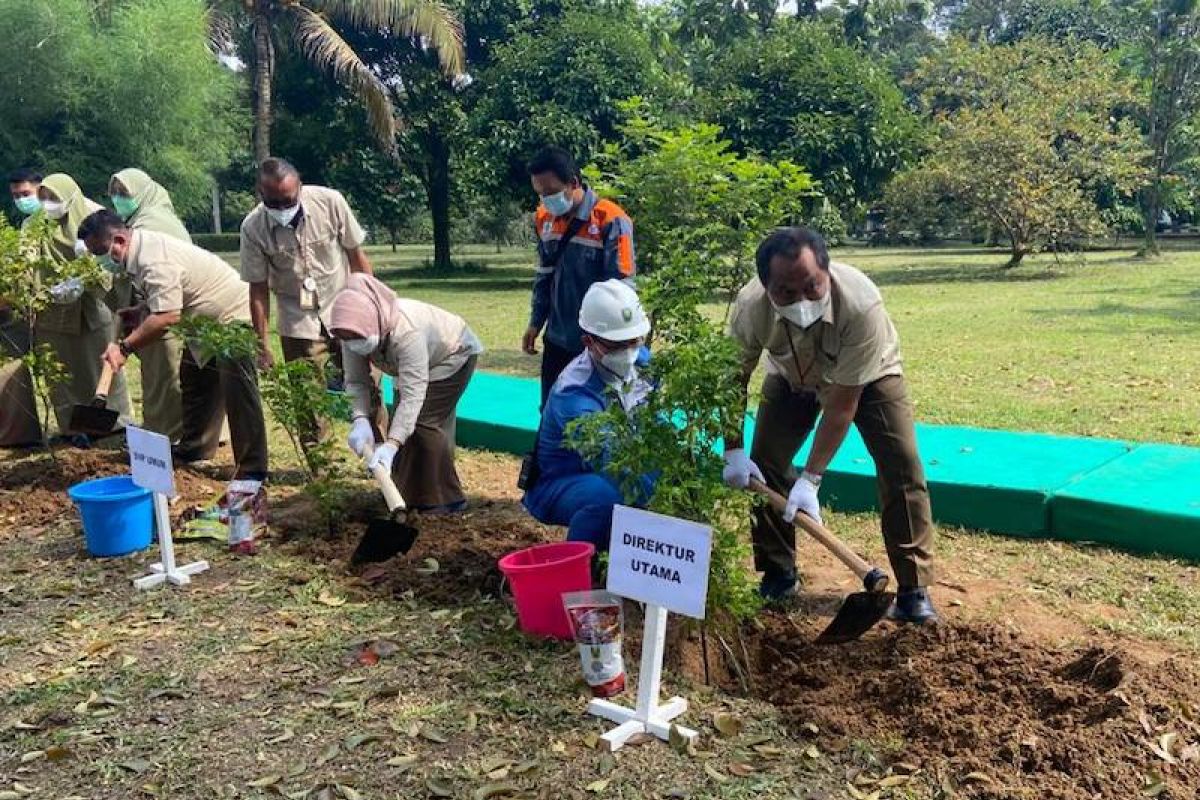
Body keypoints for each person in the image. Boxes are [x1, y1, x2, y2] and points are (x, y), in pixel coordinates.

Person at [723, 227, 937, 623]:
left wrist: (812, 478)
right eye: (786, 292)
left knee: (901, 463)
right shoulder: (751, 306)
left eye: (812, 287)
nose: (802, 300)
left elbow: (843, 404)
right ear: (766, 286)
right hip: (792, 376)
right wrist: (732, 448)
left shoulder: (861, 303)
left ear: (826, 270)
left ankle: (913, 589)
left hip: (868, 377)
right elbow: (730, 379)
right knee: (765, 460)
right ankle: (778, 573)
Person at [78, 210, 268, 480]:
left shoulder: (153, 260)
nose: (99, 259)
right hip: (203, 323)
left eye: (99, 251)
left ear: (119, 240)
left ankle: (252, 470)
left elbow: (167, 316)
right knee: (195, 380)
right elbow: (167, 296)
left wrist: (124, 348)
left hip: (233, 317)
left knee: (239, 394)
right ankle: (195, 449)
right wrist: (142, 310)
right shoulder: (140, 251)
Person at [331, 274, 481, 513]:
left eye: (357, 338)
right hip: (412, 365)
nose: (353, 344)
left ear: (373, 325)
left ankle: (445, 500)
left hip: (453, 355)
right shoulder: (351, 331)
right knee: (405, 427)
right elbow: (356, 382)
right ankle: (404, 495)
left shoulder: (406, 332)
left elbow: (413, 396)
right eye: (348, 339)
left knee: (423, 423)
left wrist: (391, 444)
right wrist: (359, 419)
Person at [522, 280, 654, 550]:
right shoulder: (574, 393)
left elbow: (654, 421)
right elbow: (611, 462)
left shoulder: (643, 363)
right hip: (561, 481)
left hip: (615, 465)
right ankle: (584, 565)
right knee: (607, 497)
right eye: (616, 344)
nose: (628, 351)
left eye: (634, 340)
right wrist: (663, 508)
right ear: (588, 342)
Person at [522, 147, 637, 406]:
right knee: (551, 407)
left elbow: (622, 289)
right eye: (540, 194)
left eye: (550, 193)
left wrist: (609, 344)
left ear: (573, 183)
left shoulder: (612, 220)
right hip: (557, 338)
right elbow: (544, 276)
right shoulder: (544, 219)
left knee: (592, 414)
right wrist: (535, 322)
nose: (545, 201)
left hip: (597, 345)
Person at [34, 174, 132, 440]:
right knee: (64, 375)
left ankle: (114, 424)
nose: (47, 204)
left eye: (53, 197)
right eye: (43, 198)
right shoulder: (35, 225)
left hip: (92, 308)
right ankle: (73, 428)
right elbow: (30, 260)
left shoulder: (92, 217)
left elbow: (111, 266)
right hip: (53, 311)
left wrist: (86, 276)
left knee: (98, 366)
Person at [108, 167, 189, 443]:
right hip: (154, 305)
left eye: (124, 193)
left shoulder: (152, 223)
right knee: (160, 376)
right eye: (115, 193)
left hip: (167, 308)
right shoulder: (138, 218)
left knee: (165, 376)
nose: (119, 199)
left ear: (143, 193)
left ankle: (166, 435)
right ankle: (165, 431)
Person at [1, 168, 46, 447]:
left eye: (25, 194)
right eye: (16, 195)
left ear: (41, 188)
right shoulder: (29, 224)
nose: (21, 199)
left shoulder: (51, 220)